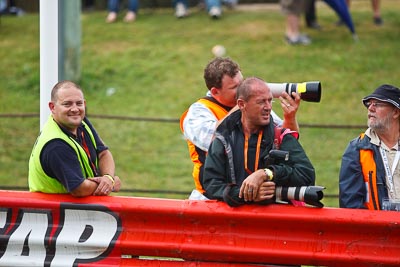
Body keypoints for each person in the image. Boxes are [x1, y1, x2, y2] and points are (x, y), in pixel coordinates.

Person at [180, 57, 301, 200]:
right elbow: (215, 140)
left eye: (242, 84)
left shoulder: (252, 105)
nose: (241, 90)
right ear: (215, 91)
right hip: (214, 198)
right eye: (234, 88)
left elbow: (285, 142)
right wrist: (243, 103)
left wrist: (290, 118)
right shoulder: (198, 112)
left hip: (258, 195)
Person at [202, 77, 315, 206]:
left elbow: (307, 175)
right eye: (261, 102)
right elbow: (212, 185)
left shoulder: (281, 136)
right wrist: (246, 194)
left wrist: (268, 173)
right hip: (235, 223)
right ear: (241, 104)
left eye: (270, 100)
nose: (268, 107)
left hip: (274, 223)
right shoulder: (223, 138)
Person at [28, 81, 121, 197]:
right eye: (67, 104)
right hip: (55, 212)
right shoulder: (56, 145)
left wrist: (107, 177)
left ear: (84, 104)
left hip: (79, 211)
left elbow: (103, 153)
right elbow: (79, 189)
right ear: (52, 107)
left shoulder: (81, 122)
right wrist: (109, 184)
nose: (75, 109)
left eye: (79, 103)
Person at [339, 84, 400, 210]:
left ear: (396, 112)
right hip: (376, 228)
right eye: (369, 104)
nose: (371, 108)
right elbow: (350, 203)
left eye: (377, 104)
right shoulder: (357, 149)